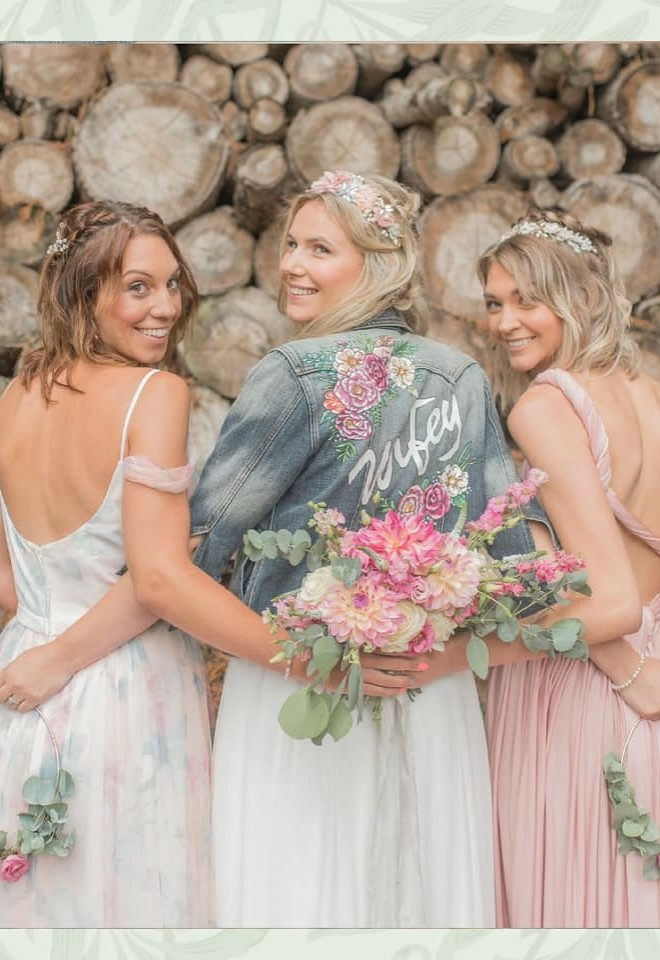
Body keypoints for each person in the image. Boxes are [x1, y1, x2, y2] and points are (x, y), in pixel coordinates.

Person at [184, 170, 550, 928]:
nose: (292, 264)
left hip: (296, 689)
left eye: (320, 249)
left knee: (296, 899)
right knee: (425, 900)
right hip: (430, 689)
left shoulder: (291, 375)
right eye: (291, 244)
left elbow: (198, 544)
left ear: (380, 264)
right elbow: (519, 565)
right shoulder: (461, 377)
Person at [0, 199, 302, 927]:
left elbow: (9, 583)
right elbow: (160, 579)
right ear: (82, 292)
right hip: (124, 693)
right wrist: (301, 660)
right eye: (137, 287)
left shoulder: (17, 394)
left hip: (19, 681)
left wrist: (49, 644)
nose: (165, 307)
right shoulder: (155, 393)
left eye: (171, 285)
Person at [474, 209, 660, 927]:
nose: (504, 322)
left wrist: (463, 651)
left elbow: (608, 601)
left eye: (526, 301)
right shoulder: (647, 391)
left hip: (582, 691)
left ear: (580, 297)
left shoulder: (546, 407)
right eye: (495, 302)